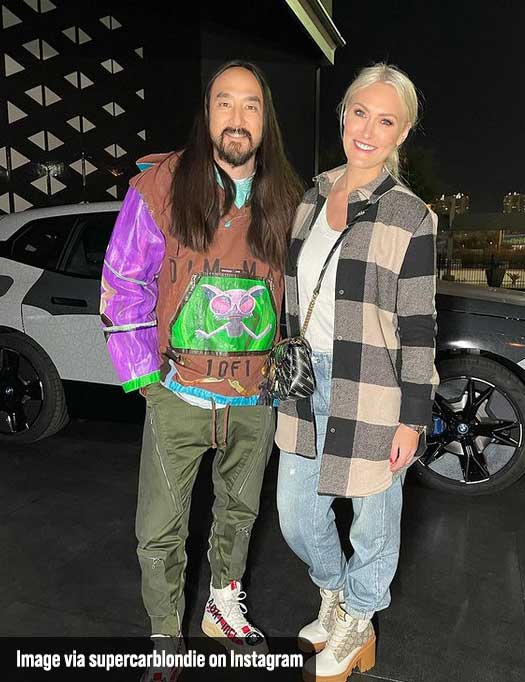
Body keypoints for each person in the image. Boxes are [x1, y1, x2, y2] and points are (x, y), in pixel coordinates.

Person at [100, 60, 302, 676]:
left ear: (266, 119)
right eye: (224, 103)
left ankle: (222, 606)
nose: (237, 117)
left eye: (250, 105)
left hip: (255, 397)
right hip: (178, 392)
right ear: (206, 113)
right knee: (159, 527)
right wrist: (145, 379)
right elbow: (123, 280)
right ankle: (165, 633)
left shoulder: (288, 197)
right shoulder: (161, 186)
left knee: (239, 513)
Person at [275, 63, 439, 682]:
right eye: (360, 113)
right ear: (344, 114)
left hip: (373, 386)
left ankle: (359, 618)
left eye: (386, 121)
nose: (368, 131)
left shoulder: (411, 217)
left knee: (374, 520)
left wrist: (412, 419)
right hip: (305, 382)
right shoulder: (311, 198)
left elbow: (419, 326)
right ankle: (337, 594)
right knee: (296, 513)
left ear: (402, 133)